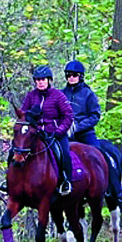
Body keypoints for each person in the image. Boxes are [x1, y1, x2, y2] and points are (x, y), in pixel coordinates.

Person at [20, 65, 74, 196]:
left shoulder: (58, 96)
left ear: (49, 80)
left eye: (43, 79)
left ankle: (65, 180)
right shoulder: (31, 96)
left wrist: (59, 131)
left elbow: (68, 116)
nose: (40, 82)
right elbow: (22, 114)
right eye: (38, 80)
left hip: (55, 134)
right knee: (15, 149)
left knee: (64, 153)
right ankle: (10, 181)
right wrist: (29, 117)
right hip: (35, 134)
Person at [61, 60, 101, 147]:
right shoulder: (61, 94)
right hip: (65, 133)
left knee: (97, 152)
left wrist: (78, 126)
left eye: (74, 75)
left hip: (85, 133)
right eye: (68, 75)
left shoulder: (89, 94)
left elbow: (95, 116)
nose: (71, 77)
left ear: (81, 76)